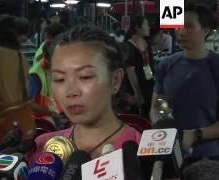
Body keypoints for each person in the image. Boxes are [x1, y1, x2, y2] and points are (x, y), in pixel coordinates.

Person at [30, 25, 141, 162]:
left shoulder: (143, 152)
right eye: (59, 79)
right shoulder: (42, 148)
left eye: (85, 77)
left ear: (115, 80)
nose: (71, 92)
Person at [150, 3, 219, 167]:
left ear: (206, 30)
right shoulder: (166, 65)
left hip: (208, 157)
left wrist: (196, 135)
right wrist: (164, 127)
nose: (181, 31)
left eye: (189, 26)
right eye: (179, 26)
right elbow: (158, 105)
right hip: (170, 152)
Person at [121, 16, 154, 119]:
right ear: (137, 27)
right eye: (145, 24)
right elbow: (130, 71)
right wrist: (137, 93)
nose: (148, 27)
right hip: (135, 86)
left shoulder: (146, 43)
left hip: (148, 83)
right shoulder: (128, 46)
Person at [29, 41, 62, 128]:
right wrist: (50, 113)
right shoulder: (35, 75)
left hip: (54, 112)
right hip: (40, 118)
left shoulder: (53, 69)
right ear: (45, 57)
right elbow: (30, 104)